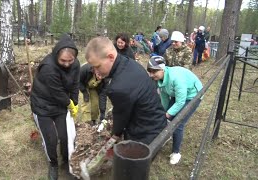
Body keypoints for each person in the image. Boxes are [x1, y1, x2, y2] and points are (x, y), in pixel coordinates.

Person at [85, 36, 167, 145]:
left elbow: (121, 117)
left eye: (97, 66)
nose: (96, 72)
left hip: (146, 133)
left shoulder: (118, 87)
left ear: (110, 57)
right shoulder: (129, 63)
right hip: (158, 121)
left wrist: (114, 136)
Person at [30, 33, 80, 180]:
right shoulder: (48, 67)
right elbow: (57, 92)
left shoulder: (75, 64)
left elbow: (75, 84)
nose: (67, 64)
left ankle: (66, 161)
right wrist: (69, 104)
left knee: (65, 136)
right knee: (51, 139)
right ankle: (53, 164)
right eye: (63, 61)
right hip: (43, 104)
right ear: (56, 55)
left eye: (70, 60)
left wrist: (75, 102)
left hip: (60, 105)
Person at [146, 56, 203, 165]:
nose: (151, 75)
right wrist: (164, 112)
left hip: (193, 95)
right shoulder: (161, 79)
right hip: (177, 95)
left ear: (162, 69)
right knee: (168, 116)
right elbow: (164, 97)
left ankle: (176, 153)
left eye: (154, 72)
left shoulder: (176, 78)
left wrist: (168, 114)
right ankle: (166, 135)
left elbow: (181, 101)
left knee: (178, 123)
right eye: (150, 72)